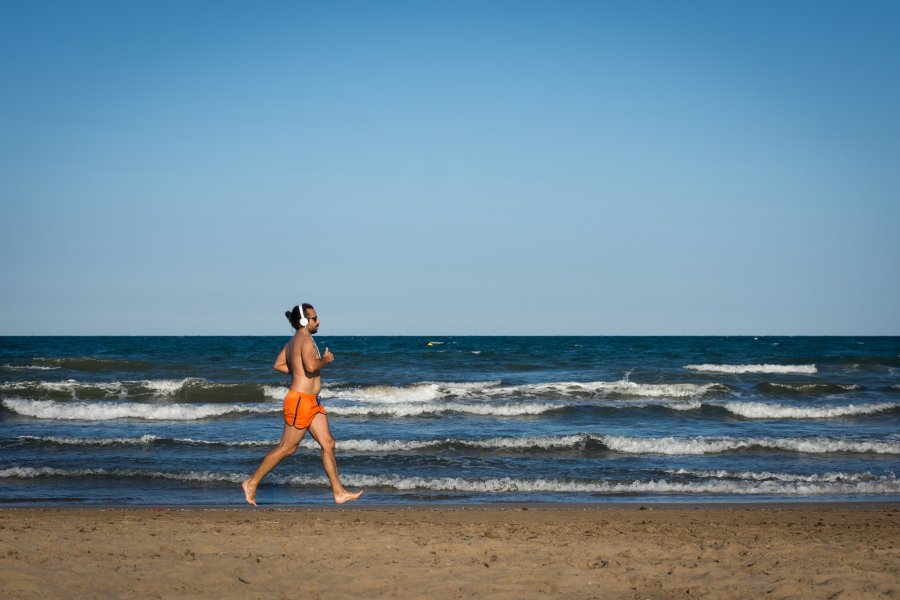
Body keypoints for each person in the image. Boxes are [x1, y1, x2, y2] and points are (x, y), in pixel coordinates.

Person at [242, 303, 363, 505]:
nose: (319, 321)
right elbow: (310, 365)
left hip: (312, 402)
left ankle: (339, 492)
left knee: (328, 444)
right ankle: (251, 483)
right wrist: (325, 360)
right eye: (315, 318)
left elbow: (279, 364)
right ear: (305, 321)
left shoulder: (294, 341)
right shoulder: (305, 341)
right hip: (300, 401)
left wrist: (298, 371)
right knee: (287, 448)